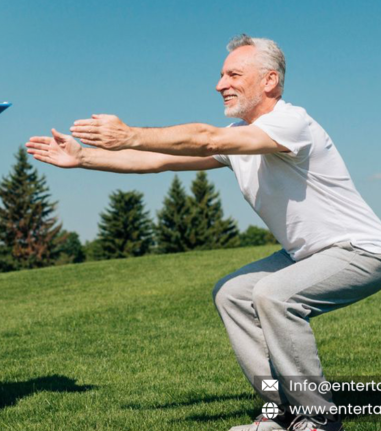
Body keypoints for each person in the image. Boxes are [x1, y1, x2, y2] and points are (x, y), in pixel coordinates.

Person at [26, 35, 381, 431]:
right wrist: (84, 156)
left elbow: (206, 136)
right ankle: (279, 411)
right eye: (220, 74)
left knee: (273, 295)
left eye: (233, 74)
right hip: (307, 254)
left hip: (360, 250)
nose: (220, 84)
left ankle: (320, 419)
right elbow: (159, 161)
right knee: (233, 293)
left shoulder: (290, 122)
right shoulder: (239, 139)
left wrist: (131, 133)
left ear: (269, 81)